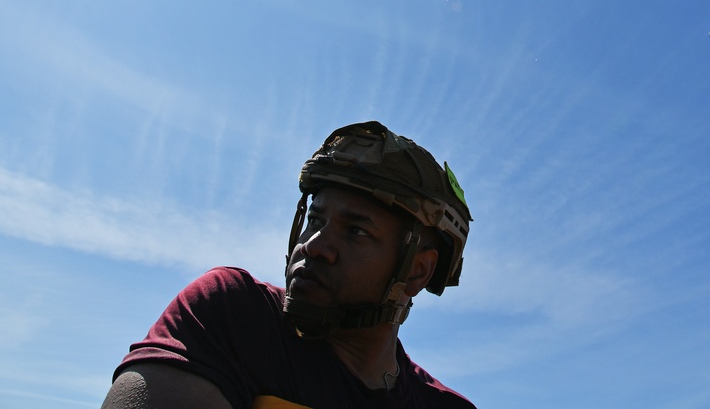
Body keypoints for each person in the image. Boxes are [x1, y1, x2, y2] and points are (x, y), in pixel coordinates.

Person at [102, 121, 476, 409]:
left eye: (357, 232)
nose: (314, 246)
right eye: (315, 220)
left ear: (416, 271)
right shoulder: (234, 315)